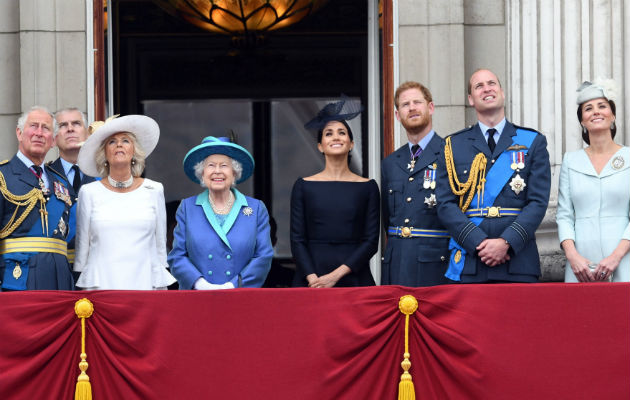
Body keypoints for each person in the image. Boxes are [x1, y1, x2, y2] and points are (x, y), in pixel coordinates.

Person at [436, 69, 551, 283]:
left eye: (492, 83)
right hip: (471, 261)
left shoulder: (533, 141)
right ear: (471, 99)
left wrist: (507, 242)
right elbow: (445, 204)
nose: (487, 88)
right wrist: (478, 242)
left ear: (502, 92)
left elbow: (538, 202)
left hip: (518, 261)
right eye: (479, 86)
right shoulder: (453, 145)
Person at [74, 115, 176, 290]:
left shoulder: (154, 190)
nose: (119, 144)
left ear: (134, 151)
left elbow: (160, 249)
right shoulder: (89, 192)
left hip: (145, 283)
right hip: (102, 286)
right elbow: (82, 250)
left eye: (125, 140)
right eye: (112, 142)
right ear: (104, 154)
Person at [291, 97, 379, 287]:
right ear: (320, 146)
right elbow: (297, 240)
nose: (336, 137)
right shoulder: (303, 186)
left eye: (342, 132)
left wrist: (335, 276)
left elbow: (371, 242)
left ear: (351, 144)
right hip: (311, 279)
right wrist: (312, 278)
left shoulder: (368, 186)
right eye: (329, 133)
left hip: (354, 277)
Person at [168, 136, 273, 289]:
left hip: (241, 297)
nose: (217, 171)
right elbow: (177, 256)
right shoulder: (188, 208)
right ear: (202, 173)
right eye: (211, 165)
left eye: (224, 165)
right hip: (198, 298)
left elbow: (263, 257)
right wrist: (200, 284)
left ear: (235, 172)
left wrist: (234, 285)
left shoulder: (256, 209)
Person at [557, 79, 630, 282]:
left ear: (612, 115)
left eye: (602, 106)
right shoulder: (570, 160)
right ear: (582, 120)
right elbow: (564, 215)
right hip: (580, 263)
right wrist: (573, 257)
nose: (596, 112)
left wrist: (616, 257)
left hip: (624, 259)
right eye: (588, 108)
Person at [381, 81, 450, 286]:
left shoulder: (450, 153)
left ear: (430, 107)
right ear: (397, 115)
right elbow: (388, 219)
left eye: (417, 102)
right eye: (405, 104)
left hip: (436, 265)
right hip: (397, 265)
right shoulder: (390, 163)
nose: (411, 108)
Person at [0, 106, 74, 290]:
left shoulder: (62, 183)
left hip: (59, 281)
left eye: (46, 128)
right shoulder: (3, 176)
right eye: (33, 126)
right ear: (19, 133)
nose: (39, 133)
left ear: (54, 140)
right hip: (17, 279)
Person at [51, 108, 96, 269]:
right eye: (63, 125)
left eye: (76, 123)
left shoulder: (104, 176)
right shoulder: (45, 177)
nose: (70, 129)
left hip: (96, 267)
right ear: (54, 139)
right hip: (58, 267)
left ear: (87, 134)